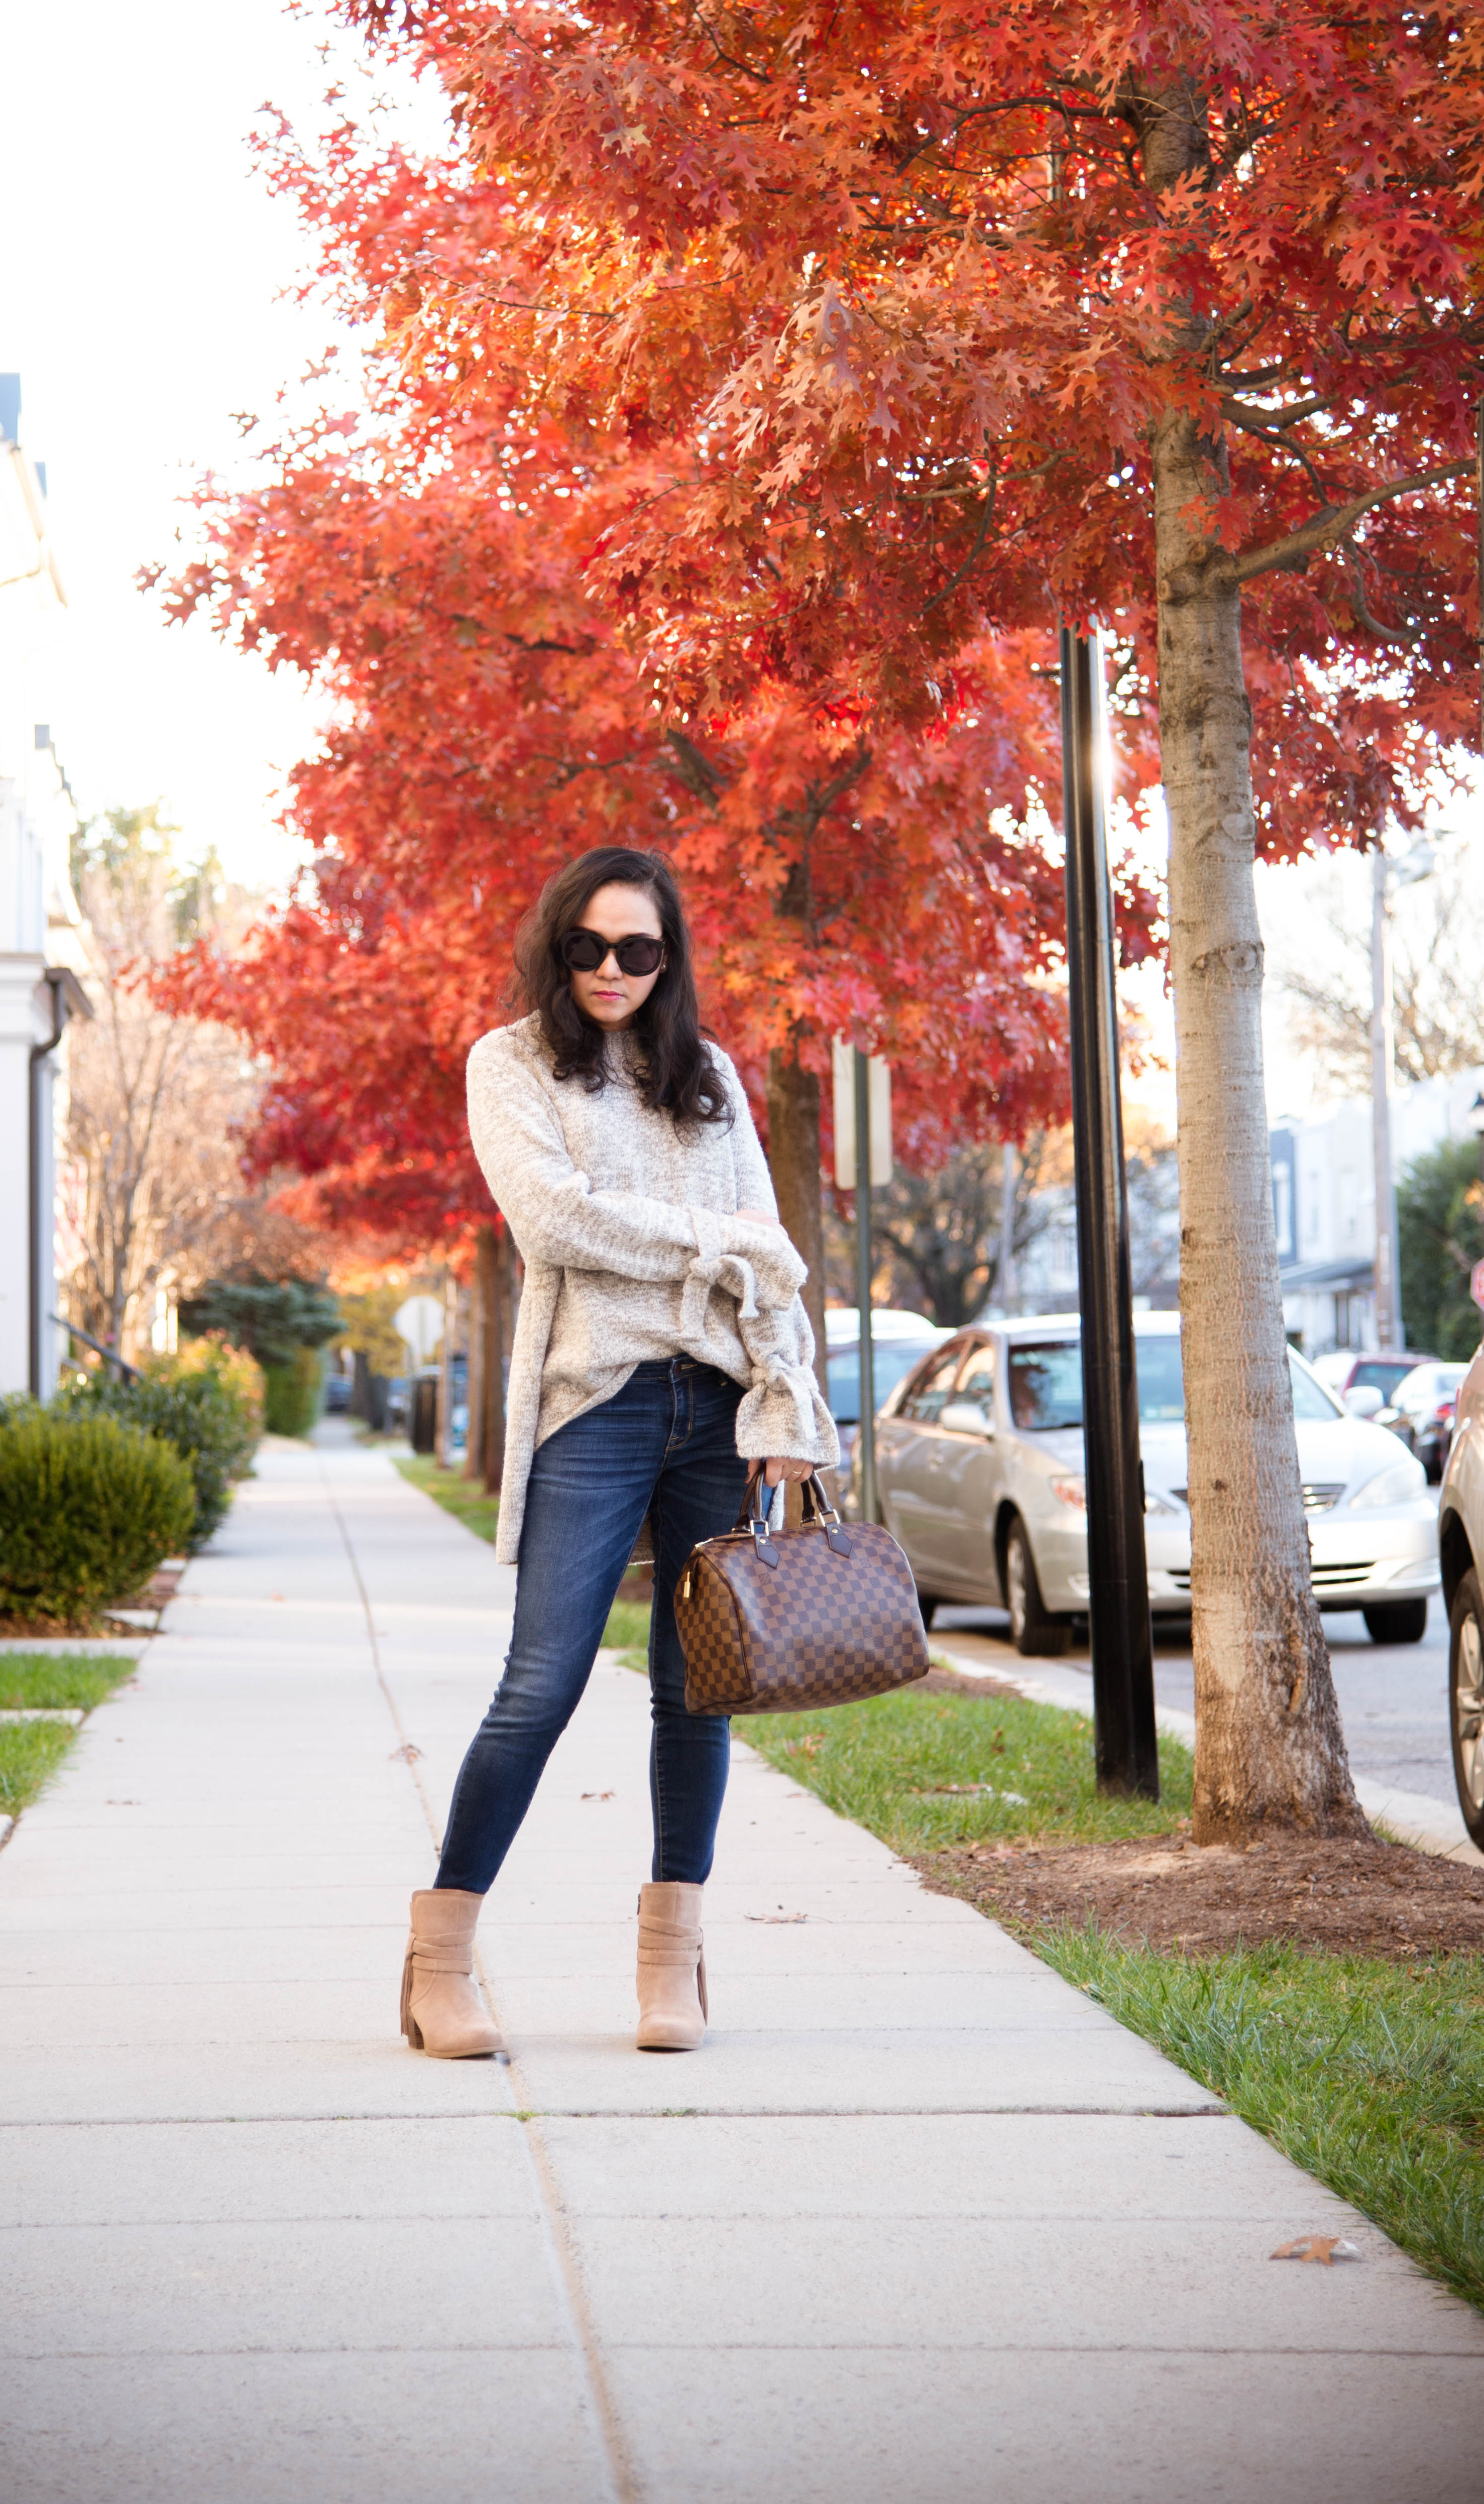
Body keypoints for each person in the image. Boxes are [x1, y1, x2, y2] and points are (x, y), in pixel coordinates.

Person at [399, 845, 839, 2061]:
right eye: (589, 945)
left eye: (636, 949)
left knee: (697, 1691)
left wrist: (786, 1412)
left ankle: (672, 1961)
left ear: (668, 956)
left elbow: (778, 1270)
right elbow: (555, 1219)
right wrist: (717, 1237)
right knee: (539, 1684)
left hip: (718, 1408)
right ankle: (440, 1962)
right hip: (592, 1405)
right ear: (557, 944)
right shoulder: (513, 1062)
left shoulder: (709, 1076)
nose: (609, 968)